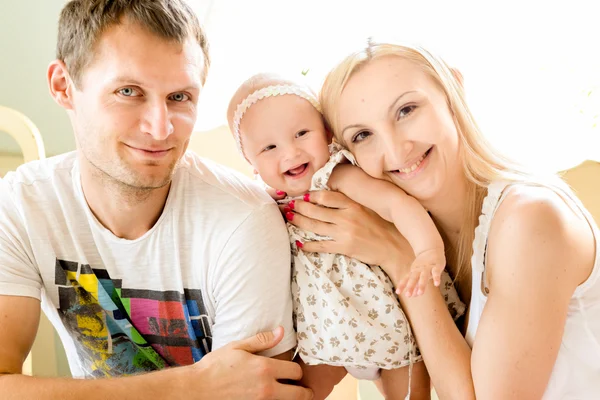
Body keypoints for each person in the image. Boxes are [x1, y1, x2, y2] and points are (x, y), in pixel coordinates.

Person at [0, 1, 312, 399]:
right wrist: (194, 386)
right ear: (64, 86)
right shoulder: (21, 204)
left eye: (179, 97)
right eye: (128, 91)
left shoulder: (243, 221)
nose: (160, 128)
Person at [276, 40, 600, 399]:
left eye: (407, 110)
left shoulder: (531, 219)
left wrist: (401, 261)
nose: (397, 149)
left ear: (453, 90)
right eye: (363, 135)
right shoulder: (401, 231)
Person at [227, 72, 465, 400]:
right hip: (328, 331)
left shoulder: (337, 175)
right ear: (251, 162)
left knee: (409, 394)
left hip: (386, 315)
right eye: (269, 147)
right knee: (299, 392)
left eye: (301, 133)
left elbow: (398, 205)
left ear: (325, 132)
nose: (291, 152)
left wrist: (427, 250)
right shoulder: (267, 201)